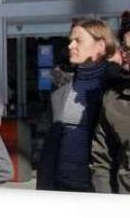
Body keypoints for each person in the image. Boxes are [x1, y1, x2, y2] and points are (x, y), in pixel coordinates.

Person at [37, 19, 119, 192]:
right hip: (60, 186)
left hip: (98, 189)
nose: (71, 45)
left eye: (78, 40)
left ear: (101, 46)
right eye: (70, 40)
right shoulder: (62, 84)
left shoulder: (115, 87)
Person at [90, 34, 130, 193]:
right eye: (124, 47)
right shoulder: (112, 99)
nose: (123, 53)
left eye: (128, 49)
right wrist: (106, 203)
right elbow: (102, 161)